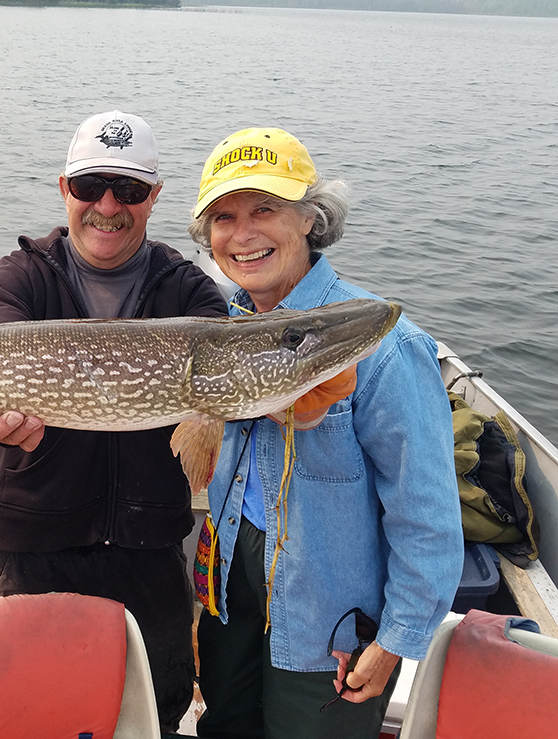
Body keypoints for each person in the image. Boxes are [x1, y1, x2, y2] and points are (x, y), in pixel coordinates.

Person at [187, 127, 465, 739]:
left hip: (329, 615)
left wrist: (395, 640)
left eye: (266, 209)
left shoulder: (388, 346)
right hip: (232, 582)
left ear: (311, 218)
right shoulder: (221, 329)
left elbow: (426, 512)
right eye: (224, 216)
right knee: (227, 725)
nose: (243, 233)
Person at [0, 110, 231, 732]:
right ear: (65, 188)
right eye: (91, 187)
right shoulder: (21, 279)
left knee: (150, 715)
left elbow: (209, 439)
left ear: (154, 198)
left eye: (130, 190)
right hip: (28, 551)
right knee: (28, 715)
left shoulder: (191, 296)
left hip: (147, 556)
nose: (108, 206)